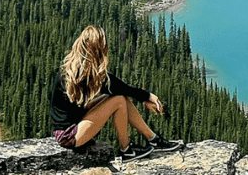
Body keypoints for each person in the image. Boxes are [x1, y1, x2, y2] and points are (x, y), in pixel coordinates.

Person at [49, 25, 185, 162]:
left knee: (121, 98)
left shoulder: (71, 70)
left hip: (75, 125)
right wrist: (148, 97)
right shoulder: (86, 75)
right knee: (118, 100)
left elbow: (121, 88)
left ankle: (153, 139)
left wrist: (146, 97)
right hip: (69, 136)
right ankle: (127, 150)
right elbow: (122, 87)